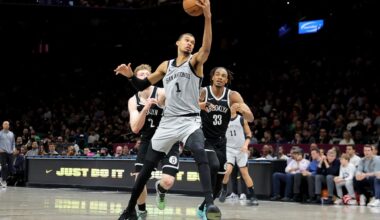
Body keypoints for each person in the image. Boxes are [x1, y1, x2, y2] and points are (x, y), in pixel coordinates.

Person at [114, 0, 221, 219]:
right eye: (187, 41)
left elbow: (207, 48)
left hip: (190, 121)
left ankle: (209, 205)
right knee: (145, 170)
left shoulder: (195, 63)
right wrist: (129, 76)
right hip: (168, 122)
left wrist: (207, 17)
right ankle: (129, 210)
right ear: (178, 43)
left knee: (200, 152)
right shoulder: (166, 65)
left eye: (192, 41)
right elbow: (143, 85)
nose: (190, 44)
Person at [197, 66, 254, 216]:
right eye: (217, 75)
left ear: (227, 80)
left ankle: (204, 207)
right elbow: (188, 109)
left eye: (223, 76)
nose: (220, 77)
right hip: (204, 139)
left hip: (222, 142)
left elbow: (251, 118)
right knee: (214, 165)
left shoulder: (233, 95)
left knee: (220, 182)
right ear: (212, 77)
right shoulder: (204, 92)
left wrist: (244, 111)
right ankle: (208, 205)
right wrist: (199, 105)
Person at [127, 64, 180, 218]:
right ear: (136, 79)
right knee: (139, 181)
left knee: (168, 181)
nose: (145, 76)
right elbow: (135, 128)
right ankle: (142, 210)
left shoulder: (162, 92)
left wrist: (164, 104)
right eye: (141, 74)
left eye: (147, 74)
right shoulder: (133, 100)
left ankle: (161, 190)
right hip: (148, 141)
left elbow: (178, 109)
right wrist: (146, 108)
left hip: (168, 139)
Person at [219, 103, 258, 206]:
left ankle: (253, 196)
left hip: (241, 149)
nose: (234, 106)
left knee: (244, 174)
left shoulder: (241, 119)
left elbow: (249, 134)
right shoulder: (223, 119)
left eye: (235, 105)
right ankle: (224, 189)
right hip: (229, 149)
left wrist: (246, 145)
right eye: (231, 105)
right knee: (227, 171)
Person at [0, 121, 16, 188]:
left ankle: (2, 177)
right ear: (2, 125)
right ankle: (4, 180)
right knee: (4, 166)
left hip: (10, 152)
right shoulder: (0, 133)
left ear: (9, 126)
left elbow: (13, 143)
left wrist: (14, 149)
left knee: (11, 168)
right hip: (2, 152)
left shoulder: (11, 134)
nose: (6, 125)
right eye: (5, 124)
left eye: (7, 124)